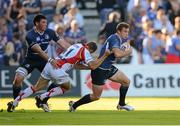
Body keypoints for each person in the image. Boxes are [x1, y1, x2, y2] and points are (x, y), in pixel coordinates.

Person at [7, 42, 111, 112]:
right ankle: (42, 97)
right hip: (58, 69)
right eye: (91, 52)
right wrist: (105, 56)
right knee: (67, 87)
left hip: (51, 64)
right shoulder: (85, 51)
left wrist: (88, 68)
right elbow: (92, 65)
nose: (89, 53)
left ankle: (14, 102)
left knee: (36, 87)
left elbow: (76, 65)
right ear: (90, 49)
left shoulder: (76, 45)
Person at [68, 22, 134, 112]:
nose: (127, 33)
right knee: (96, 96)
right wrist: (128, 52)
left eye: (127, 32)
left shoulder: (119, 39)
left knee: (126, 82)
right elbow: (118, 54)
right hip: (100, 69)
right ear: (118, 31)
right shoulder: (114, 39)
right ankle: (74, 105)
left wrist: (124, 48)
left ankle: (121, 104)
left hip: (108, 67)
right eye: (125, 31)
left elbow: (118, 52)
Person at [10, 14, 70, 107]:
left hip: (44, 61)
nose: (45, 24)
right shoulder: (30, 35)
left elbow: (64, 44)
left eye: (46, 22)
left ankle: (43, 100)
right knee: (18, 79)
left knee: (57, 81)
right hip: (31, 60)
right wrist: (50, 60)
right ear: (36, 23)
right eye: (43, 22)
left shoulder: (50, 32)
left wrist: (75, 50)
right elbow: (39, 51)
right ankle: (15, 102)